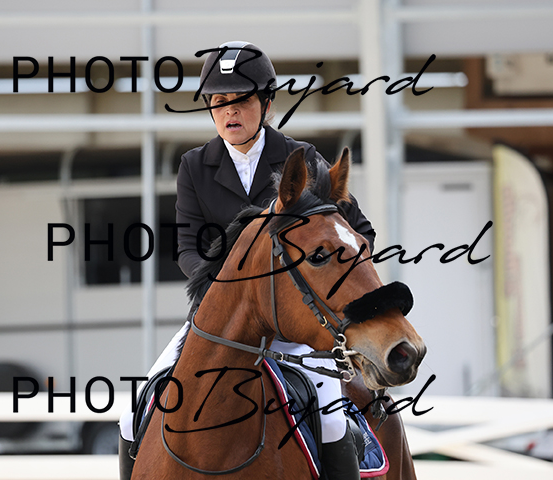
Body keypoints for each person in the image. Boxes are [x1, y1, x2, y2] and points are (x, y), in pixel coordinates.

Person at [119, 41, 375, 480]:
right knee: (131, 413)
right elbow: (186, 248)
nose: (230, 111)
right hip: (222, 320)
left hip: (292, 324)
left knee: (332, 419)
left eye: (241, 99)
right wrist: (228, 290)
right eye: (219, 101)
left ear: (267, 104)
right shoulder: (194, 165)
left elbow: (358, 233)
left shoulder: (304, 160)